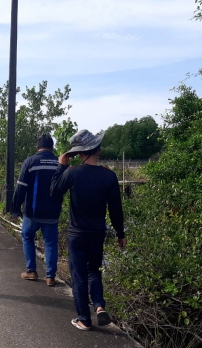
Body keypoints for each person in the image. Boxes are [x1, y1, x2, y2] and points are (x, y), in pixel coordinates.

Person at [50, 129, 127, 330]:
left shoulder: (72, 173)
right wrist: (120, 234)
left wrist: (61, 166)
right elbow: (116, 209)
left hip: (76, 234)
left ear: (79, 153)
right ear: (98, 150)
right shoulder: (109, 176)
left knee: (79, 276)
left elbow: (54, 192)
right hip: (97, 233)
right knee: (94, 271)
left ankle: (84, 319)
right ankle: (99, 306)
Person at [12, 134, 62, 286]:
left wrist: (15, 208)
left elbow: (21, 187)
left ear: (37, 147)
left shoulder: (30, 162)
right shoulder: (59, 163)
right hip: (52, 212)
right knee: (50, 243)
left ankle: (31, 271)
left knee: (27, 237)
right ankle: (50, 277)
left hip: (32, 213)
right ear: (52, 147)